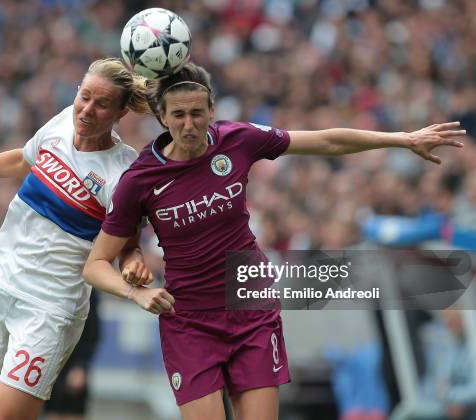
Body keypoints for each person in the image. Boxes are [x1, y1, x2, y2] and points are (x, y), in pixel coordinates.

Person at [82, 63, 466, 420]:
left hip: (249, 306)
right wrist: (137, 293)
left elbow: (327, 141)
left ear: (212, 110)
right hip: (188, 320)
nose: (189, 124)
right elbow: (96, 264)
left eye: (197, 113)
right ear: (162, 117)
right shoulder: (140, 179)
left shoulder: (237, 140)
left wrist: (400, 139)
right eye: (178, 115)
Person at [0, 58, 154, 420]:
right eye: (84, 96)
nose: (87, 109)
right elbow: (23, 160)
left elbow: (127, 242)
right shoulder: (61, 122)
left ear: (122, 112)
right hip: (1, 285)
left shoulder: (123, 172)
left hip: (49, 309)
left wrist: (133, 262)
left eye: (102, 104)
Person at [44, 290, 101, 420]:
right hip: (49, 360)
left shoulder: (87, 290)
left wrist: (80, 366)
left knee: (73, 410)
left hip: (74, 361)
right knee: (52, 410)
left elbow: (93, 331)